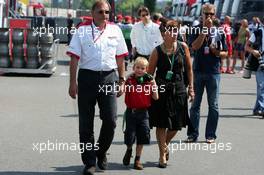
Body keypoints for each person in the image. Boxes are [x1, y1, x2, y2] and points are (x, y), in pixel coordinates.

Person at [66, 1, 128, 175]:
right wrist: (72, 83)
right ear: (93, 13)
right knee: (86, 123)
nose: (104, 15)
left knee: (111, 120)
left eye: (107, 12)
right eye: (100, 12)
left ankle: (100, 152)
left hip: (109, 78)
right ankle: (89, 162)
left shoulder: (115, 30)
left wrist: (122, 80)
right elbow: (74, 58)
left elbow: (121, 56)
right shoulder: (82, 31)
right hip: (87, 78)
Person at [148, 19, 194, 168]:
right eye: (171, 31)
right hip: (161, 90)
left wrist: (191, 88)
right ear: (163, 34)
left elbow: (188, 69)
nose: (174, 34)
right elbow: (149, 74)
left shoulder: (183, 47)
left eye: (176, 31)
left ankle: (165, 144)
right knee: (162, 123)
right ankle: (162, 155)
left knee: (176, 124)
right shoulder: (157, 51)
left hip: (179, 88)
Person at [186, 4, 228, 144]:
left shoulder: (220, 31)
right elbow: (194, 47)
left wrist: (217, 52)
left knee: (213, 105)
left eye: (211, 14)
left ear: (214, 15)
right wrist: (204, 30)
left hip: (214, 72)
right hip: (198, 71)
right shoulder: (195, 29)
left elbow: (226, 53)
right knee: (195, 105)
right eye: (206, 14)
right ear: (201, 15)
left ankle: (210, 135)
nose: (209, 17)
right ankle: (193, 134)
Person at [122, 57, 159, 170]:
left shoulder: (149, 81)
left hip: (143, 113)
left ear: (146, 70)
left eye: (142, 68)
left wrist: (153, 85)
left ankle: (137, 159)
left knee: (142, 136)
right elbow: (122, 88)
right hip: (131, 112)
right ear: (133, 68)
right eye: (137, 67)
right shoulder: (130, 79)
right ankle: (129, 149)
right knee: (130, 136)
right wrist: (126, 78)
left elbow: (156, 97)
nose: (139, 70)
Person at [246, 24, 264, 118]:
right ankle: (261, 108)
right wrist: (253, 51)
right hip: (260, 61)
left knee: (262, 87)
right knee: (261, 86)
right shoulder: (258, 32)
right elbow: (247, 46)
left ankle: (258, 109)